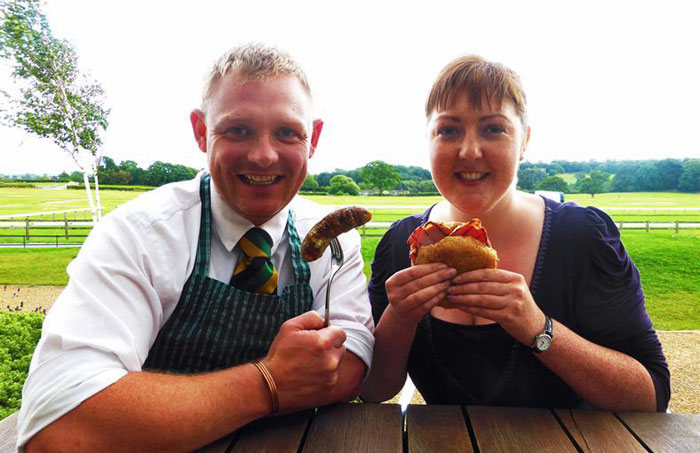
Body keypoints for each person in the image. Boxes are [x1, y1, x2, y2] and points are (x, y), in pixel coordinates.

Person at [17, 43, 374, 452]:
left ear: (314, 139)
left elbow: (353, 364)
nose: (263, 155)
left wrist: (170, 409)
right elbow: (61, 429)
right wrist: (268, 384)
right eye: (238, 130)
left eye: (287, 132)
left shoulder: (335, 239)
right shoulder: (138, 235)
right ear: (202, 131)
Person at [360, 55, 670, 412]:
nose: (470, 150)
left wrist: (537, 327)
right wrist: (400, 317)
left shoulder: (582, 239)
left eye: (493, 129)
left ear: (524, 141)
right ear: (428, 141)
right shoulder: (402, 244)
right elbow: (374, 390)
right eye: (448, 129)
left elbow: (651, 395)